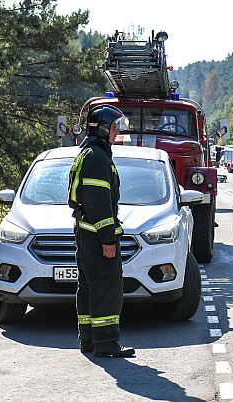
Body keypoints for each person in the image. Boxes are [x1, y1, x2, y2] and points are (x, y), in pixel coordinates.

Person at [68, 105, 134, 357]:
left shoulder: (88, 154)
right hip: (97, 238)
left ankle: (88, 340)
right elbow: (98, 203)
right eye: (115, 128)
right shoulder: (97, 158)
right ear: (104, 129)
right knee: (107, 289)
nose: (117, 133)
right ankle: (106, 343)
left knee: (88, 287)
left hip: (86, 235)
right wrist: (108, 239)